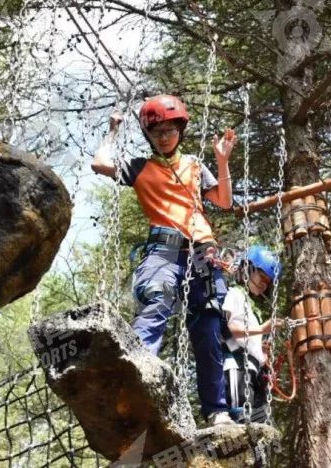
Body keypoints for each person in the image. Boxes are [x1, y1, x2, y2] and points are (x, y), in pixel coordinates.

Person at [91, 94, 238, 426]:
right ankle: (135, 384)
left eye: (171, 129)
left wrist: (223, 161)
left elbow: (225, 202)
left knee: (210, 327)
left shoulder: (196, 167)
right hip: (163, 250)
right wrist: (112, 132)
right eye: (157, 131)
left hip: (203, 252)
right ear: (149, 136)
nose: (165, 136)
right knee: (156, 302)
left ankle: (216, 411)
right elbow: (100, 164)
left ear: (180, 131)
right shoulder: (141, 167)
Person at [221, 245, 283, 423]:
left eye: (268, 282)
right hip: (237, 364)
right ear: (247, 269)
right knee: (240, 417)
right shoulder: (234, 294)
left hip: (253, 369)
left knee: (260, 423)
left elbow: (246, 336)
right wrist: (262, 330)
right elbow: (229, 328)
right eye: (262, 277)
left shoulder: (251, 308)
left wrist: (262, 352)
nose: (264, 284)